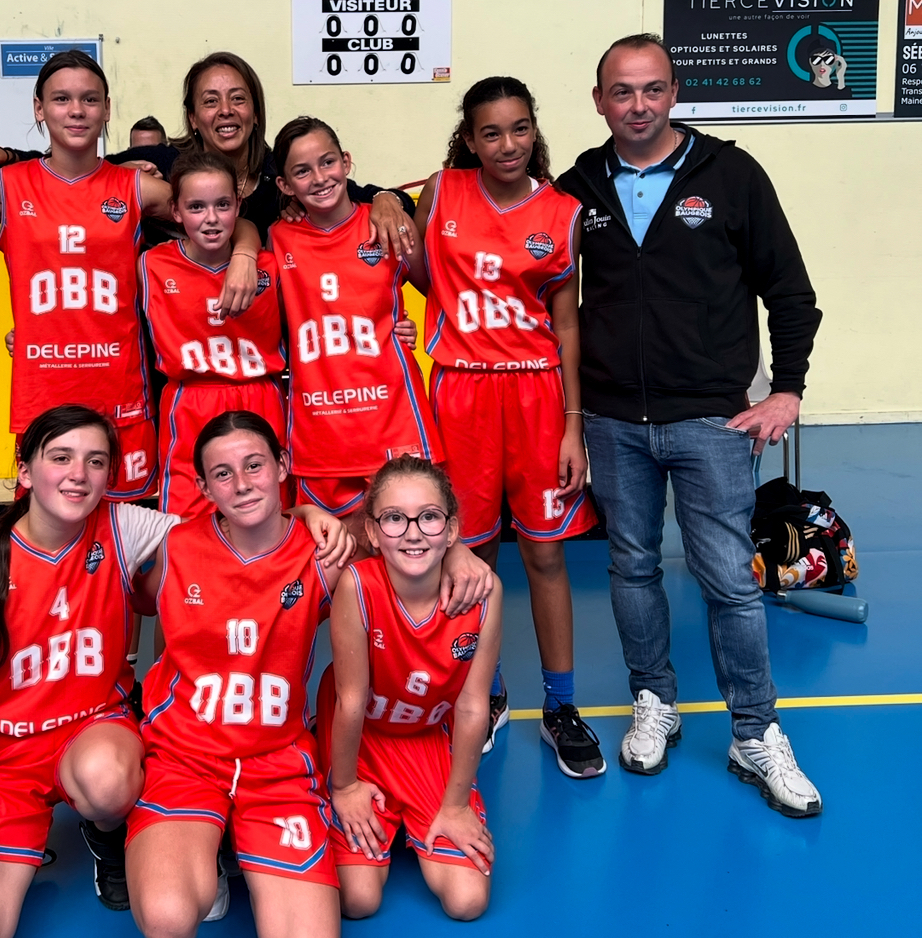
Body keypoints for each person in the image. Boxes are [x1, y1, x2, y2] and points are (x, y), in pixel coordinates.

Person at [555, 34, 822, 815]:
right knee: (632, 567)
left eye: (652, 89)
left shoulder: (732, 175)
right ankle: (654, 701)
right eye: (621, 91)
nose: (637, 105)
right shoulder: (578, 187)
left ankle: (755, 732)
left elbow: (791, 292)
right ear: (599, 100)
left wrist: (787, 391)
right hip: (613, 419)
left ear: (674, 93)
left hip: (713, 419)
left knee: (729, 582)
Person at [0, 406, 177, 938]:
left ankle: (107, 831)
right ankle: (21, 835)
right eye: (61, 457)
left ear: (110, 474)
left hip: (95, 732)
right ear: (25, 471)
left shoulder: (122, 527)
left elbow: (228, 527)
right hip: (10, 759)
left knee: (106, 781)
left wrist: (306, 513)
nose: (78, 475)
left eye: (96, 461)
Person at [414, 77, 606, 777]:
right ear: (469, 139)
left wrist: (572, 425)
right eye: (490, 132)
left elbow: (567, 324)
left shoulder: (562, 212)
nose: (507, 144)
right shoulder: (442, 192)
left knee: (545, 555)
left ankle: (561, 706)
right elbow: (413, 268)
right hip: (461, 392)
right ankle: (486, 692)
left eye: (519, 128)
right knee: (471, 555)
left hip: (536, 396)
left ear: (534, 129)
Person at [0, 50, 261, 501]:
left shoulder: (134, 186)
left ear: (106, 109)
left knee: (124, 535)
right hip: (45, 395)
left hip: (120, 395)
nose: (77, 110)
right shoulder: (8, 185)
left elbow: (221, 213)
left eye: (90, 99)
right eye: (61, 99)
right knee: (50, 531)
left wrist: (245, 253)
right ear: (39, 108)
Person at [124, 411, 352, 938]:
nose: (243, 483)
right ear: (203, 488)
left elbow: (406, 535)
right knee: (169, 922)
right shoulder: (177, 546)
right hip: (185, 756)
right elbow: (133, 595)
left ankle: (236, 843)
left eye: (255, 465)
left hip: (276, 764)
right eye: (222, 474)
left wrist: (460, 556)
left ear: (283, 466)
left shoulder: (323, 552)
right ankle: (207, 846)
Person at [0, 51, 416, 253]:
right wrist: (5, 155)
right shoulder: (161, 166)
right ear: (192, 116)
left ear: (255, 110)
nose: (225, 111)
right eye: (210, 101)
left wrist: (388, 199)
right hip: (167, 350)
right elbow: (69, 170)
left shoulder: (283, 174)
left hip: (261, 353)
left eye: (238, 98)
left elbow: (355, 193)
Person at [318, 456, 501, 922]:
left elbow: (472, 706)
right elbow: (350, 701)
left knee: (467, 901)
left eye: (429, 517)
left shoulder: (483, 593)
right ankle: (372, 813)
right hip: (363, 740)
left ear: (452, 529)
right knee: (358, 900)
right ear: (373, 531)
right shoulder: (358, 586)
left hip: (425, 738)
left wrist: (455, 807)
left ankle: (425, 814)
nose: (413, 533)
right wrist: (344, 786)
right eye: (395, 518)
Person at [270, 116, 437, 540]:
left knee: (412, 548)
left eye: (327, 162)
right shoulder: (278, 238)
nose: (319, 177)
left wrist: (409, 329)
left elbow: (441, 293)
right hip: (321, 431)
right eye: (302, 171)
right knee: (335, 557)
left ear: (346, 162)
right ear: (285, 185)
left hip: (393, 421)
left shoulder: (387, 225)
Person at [139, 153, 287, 518]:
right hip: (191, 401)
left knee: (267, 515)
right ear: (175, 211)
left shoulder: (271, 266)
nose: (211, 218)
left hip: (261, 397)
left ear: (238, 205)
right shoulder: (150, 265)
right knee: (187, 521)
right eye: (196, 207)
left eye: (222, 205)